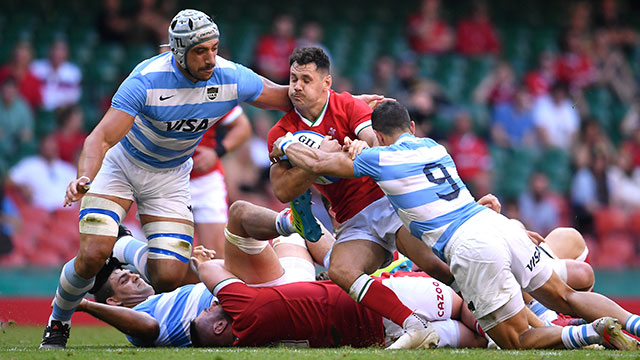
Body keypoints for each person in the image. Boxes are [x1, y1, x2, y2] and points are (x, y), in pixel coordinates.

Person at [271, 100, 640, 350]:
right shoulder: (435, 146)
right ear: (412, 127)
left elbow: (319, 166)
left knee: (516, 340)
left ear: (379, 136)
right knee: (568, 295)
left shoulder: (381, 159)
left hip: (470, 246)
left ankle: (591, 331)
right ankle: (634, 324)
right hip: (496, 224)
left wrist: (287, 143)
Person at [39, 8, 293, 350]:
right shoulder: (146, 79)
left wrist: (344, 104)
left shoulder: (229, 76)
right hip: (122, 167)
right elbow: (99, 138)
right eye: (200, 51)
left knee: (168, 275)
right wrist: (84, 177)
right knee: (92, 255)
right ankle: (59, 320)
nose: (210, 59)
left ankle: (122, 244)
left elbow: (285, 97)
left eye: (214, 48)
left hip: (170, 177)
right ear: (178, 52)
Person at [267, 47, 449, 349]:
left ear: (326, 83)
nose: (297, 87)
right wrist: (321, 159)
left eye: (306, 79)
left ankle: (491, 312)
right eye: (293, 79)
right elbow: (282, 190)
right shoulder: (282, 131)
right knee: (340, 270)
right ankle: (414, 325)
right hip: (352, 219)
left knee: (432, 262)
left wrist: (343, 151)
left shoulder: (347, 104)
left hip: (389, 202)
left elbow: (370, 139)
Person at [190, 105, 251, 256]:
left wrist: (217, 152)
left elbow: (242, 126)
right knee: (172, 261)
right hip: (164, 179)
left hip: (205, 179)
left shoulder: (215, 89)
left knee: (215, 255)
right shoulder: (154, 87)